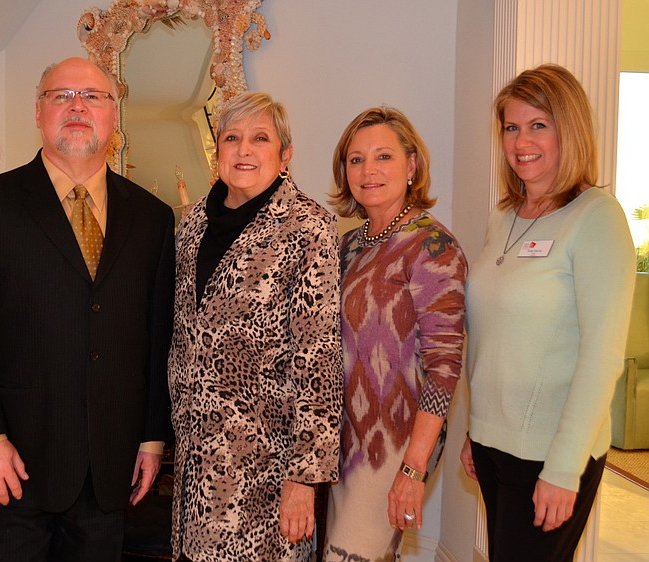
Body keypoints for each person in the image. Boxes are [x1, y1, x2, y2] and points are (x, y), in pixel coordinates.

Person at [0, 57, 175, 562]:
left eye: (93, 96)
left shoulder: (151, 216)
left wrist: (151, 438)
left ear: (114, 113)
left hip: (110, 470)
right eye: (61, 96)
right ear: (39, 112)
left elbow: (156, 337)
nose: (77, 106)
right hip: (14, 465)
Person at [460, 63, 636, 561]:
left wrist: (563, 468)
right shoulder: (503, 217)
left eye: (539, 125)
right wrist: (476, 431)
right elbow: (491, 338)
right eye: (511, 127)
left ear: (570, 129)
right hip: (495, 447)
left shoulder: (597, 218)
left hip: (551, 452)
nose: (521, 141)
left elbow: (603, 357)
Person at [168, 91, 343, 562]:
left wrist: (305, 479)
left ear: (284, 155)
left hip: (269, 472)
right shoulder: (191, 226)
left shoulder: (310, 228)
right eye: (232, 138)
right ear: (217, 151)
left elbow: (319, 359)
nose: (244, 150)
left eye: (260, 139)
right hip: (194, 467)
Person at [323, 106, 468, 561]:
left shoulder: (432, 246)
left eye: (383, 156)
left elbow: (445, 370)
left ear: (412, 165)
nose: (368, 171)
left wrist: (413, 467)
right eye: (356, 159)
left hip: (391, 446)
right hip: (339, 439)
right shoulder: (348, 244)